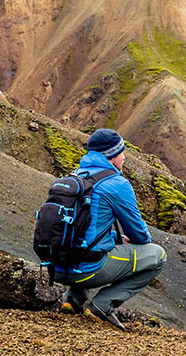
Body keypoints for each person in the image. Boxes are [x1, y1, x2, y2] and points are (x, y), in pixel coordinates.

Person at [55, 128, 166, 331]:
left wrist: (115, 238)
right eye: (121, 153)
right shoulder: (116, 184)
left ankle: (72, 299)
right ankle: (102, 306)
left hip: (58, 268)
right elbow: (140, 235)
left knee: (84, 244)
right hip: (88, 272)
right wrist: (127, 239)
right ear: (113, 156)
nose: (124, 157)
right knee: (157, 256)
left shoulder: (74, 177)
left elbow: (81, 228)